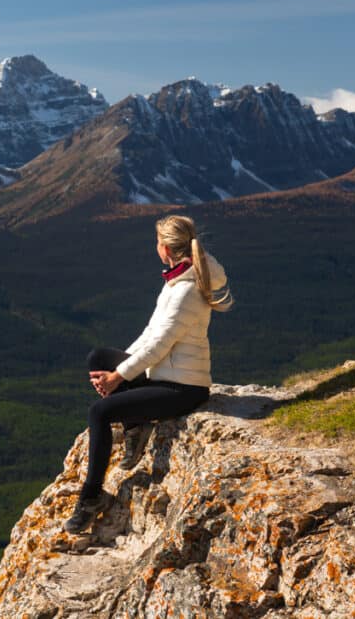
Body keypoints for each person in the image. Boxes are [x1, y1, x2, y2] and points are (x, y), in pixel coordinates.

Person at [64, 214, 233, 535]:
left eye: (157, 242)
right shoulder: (180, 279)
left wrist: (117, 378)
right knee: (98, 357)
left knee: (99, 412)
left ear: (166, 249)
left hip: (183, 389)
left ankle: (90, 499)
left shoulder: (185, 291)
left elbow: (160, 344)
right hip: (165, 375)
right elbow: (150, 333)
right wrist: (118, 368)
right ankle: (136, 425)